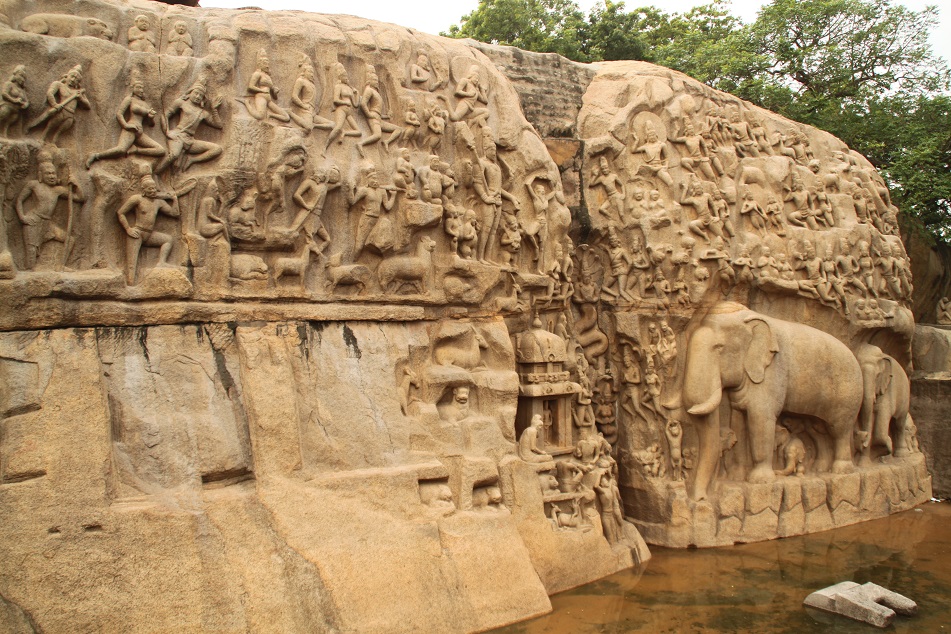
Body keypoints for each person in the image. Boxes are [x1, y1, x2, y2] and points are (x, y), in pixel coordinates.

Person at [15, 154, 83, 270]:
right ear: (40, 175)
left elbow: (80, 198)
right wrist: (22, 217)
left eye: (53, 173)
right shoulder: (34, 185)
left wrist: (76, 184)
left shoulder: (57, 190)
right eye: (48, 173)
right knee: (31, 255)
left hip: (47, 225)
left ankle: (61, 266)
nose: (51, 176)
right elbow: (19, 201)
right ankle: (31, 273)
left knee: (70, 240)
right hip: (33, 221)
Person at [116, 174, 180, 284]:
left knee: (168, 239)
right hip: (137, 233)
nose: (153, 191)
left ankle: (161, 262)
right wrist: (128, 229)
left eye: (154, 188)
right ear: (143, 190)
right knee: (131, 264)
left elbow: (175, 213)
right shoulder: (137, 199)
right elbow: (120, 213)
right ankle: (130, 284)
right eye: (150, 189)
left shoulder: (158, 202)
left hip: (149, 234)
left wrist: (175, 200)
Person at [86, 79, 165, 168]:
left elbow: (151, 124)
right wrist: (126, 125)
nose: (141, 90)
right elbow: (119, 114)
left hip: (140, 132)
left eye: (142, 88)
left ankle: (136, 150)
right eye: (138, 87)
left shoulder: (145, 104)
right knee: (121, 150)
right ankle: (95, 156)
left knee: (161, 150)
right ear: (133, 88)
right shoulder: (129, 99)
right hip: (131, 129)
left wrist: (151, 118)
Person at [155, 79, 223, 173]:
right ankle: (156, 172)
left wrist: (214, 109)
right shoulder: (181, 103)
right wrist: (167, 131)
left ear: (203, 99)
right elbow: (165, 115)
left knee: (217, 149)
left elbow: (219, 125)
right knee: (174, 155)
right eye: (196, 93)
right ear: (190, 93)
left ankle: (192, 160)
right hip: (178, 136)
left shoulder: (202, 112)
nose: (198, 96)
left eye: (201, 95)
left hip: (190, 140)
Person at [28, 65, 91, 145]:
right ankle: (42, 137)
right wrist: (54, 104)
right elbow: (50, 93)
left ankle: (54, 143)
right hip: (61, 110)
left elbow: (88, 106)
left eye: (76, 79)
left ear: (78, 82)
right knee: (51, 125)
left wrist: (81, 98)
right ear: (67, 76)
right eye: (72, 76)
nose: (73, 80)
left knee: (60, 130)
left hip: (70, 115)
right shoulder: (59, 85)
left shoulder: (78, 92)